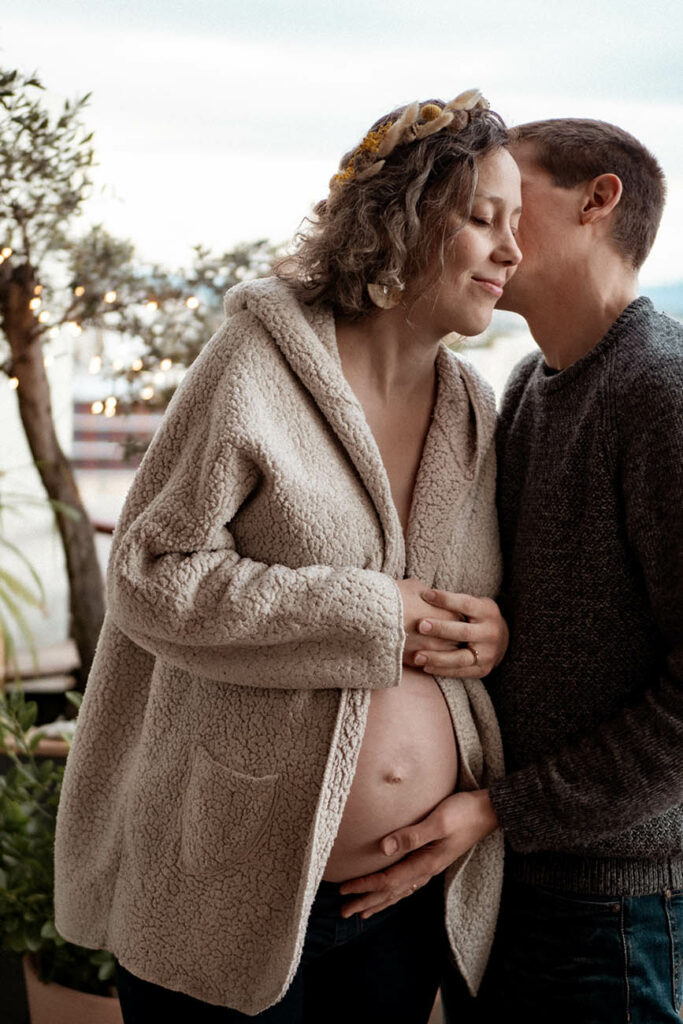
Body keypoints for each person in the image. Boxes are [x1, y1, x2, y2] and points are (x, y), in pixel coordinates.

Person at [53, 90, 522, 1023]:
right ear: (409, 216)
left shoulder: (472, 407)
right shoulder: (255, 366)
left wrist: (491, 636)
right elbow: (151, 575)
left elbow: (451, 607)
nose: (511, 251)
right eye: (482, 219)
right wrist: (372, 614)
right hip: (225, 893)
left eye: (515, 225)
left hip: (399, 904)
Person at [339, 118, 683, 1023]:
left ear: (595, 199)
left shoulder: (662, 392)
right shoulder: (527, 386)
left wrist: (502, 808)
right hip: (506, 882)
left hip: (619, 904)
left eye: (506, 195)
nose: (483, 223)